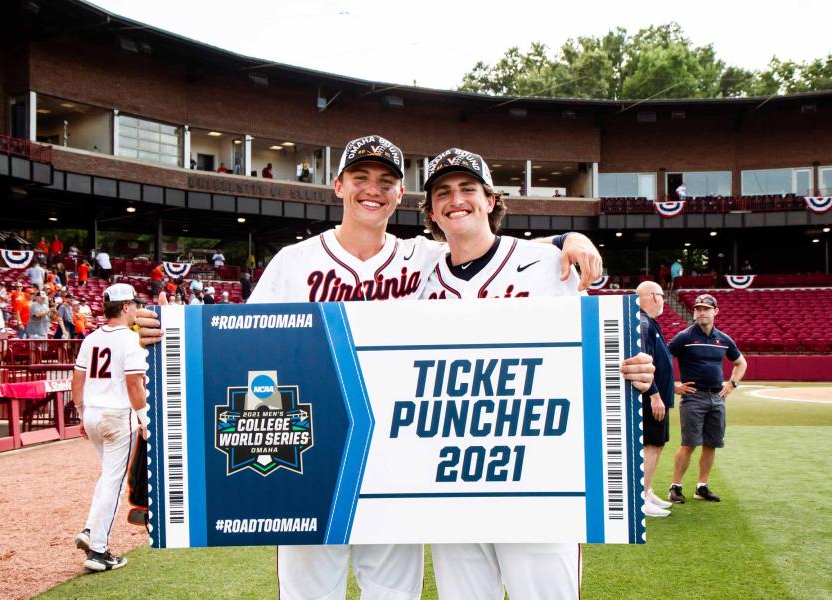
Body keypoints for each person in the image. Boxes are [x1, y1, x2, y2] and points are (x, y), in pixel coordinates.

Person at [137, 135, 606, 600]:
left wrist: (571, 237)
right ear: (338, 185)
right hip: (311, 454)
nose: (372, 189)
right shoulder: (294, 263)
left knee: (393, 594)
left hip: (395, 463)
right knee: (309, 594)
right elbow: (239, 344)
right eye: (360, 178)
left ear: (400, 194)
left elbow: (486, 247)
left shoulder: (422, 258)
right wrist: (171, 337)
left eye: (386, 181)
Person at [419, 148, 653, 600]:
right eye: (443, 192)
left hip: (540, 482)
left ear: (490, 199)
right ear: (431, 210)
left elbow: (598, 345)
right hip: (451, 486)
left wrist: (629, 367)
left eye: (468, 188)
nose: (456, 199)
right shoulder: (420, 276)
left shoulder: (550, 265)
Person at [72, 283, 149, 572]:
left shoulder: (90, 338)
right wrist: (144, 419)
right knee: (114, 482)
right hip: (117, 415)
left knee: (108, 477)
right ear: (127, 306)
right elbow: (134, 384)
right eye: (134, 305)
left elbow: (77, 381)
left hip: (92, 412)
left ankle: (91, 529)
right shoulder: (130, 340)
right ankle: (98, 551)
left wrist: (81, 413)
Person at [668, 294, 748, 504]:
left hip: (717, 398)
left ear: (715, 312)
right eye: (698, 309)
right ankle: (675, 487)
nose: (701, 312)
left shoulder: (723, 339)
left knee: (711, 444)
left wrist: (732, 384)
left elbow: (741, 363)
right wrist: (673, 386)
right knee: (689, 443)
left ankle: (701, 487)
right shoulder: (684, 337)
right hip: (694, 398)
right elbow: (663, 359)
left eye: (706, 309)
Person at [636, 281, 675, 518]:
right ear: (653, 296)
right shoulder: (643, 323)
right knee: (651, 444)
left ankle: (647, 491)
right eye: (661, 295)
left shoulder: (650, 323)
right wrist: (655, 395)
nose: (663, 300)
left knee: (657, 445)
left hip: (659, 395)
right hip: (652, 397)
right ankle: (640, 497)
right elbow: (643, 361)